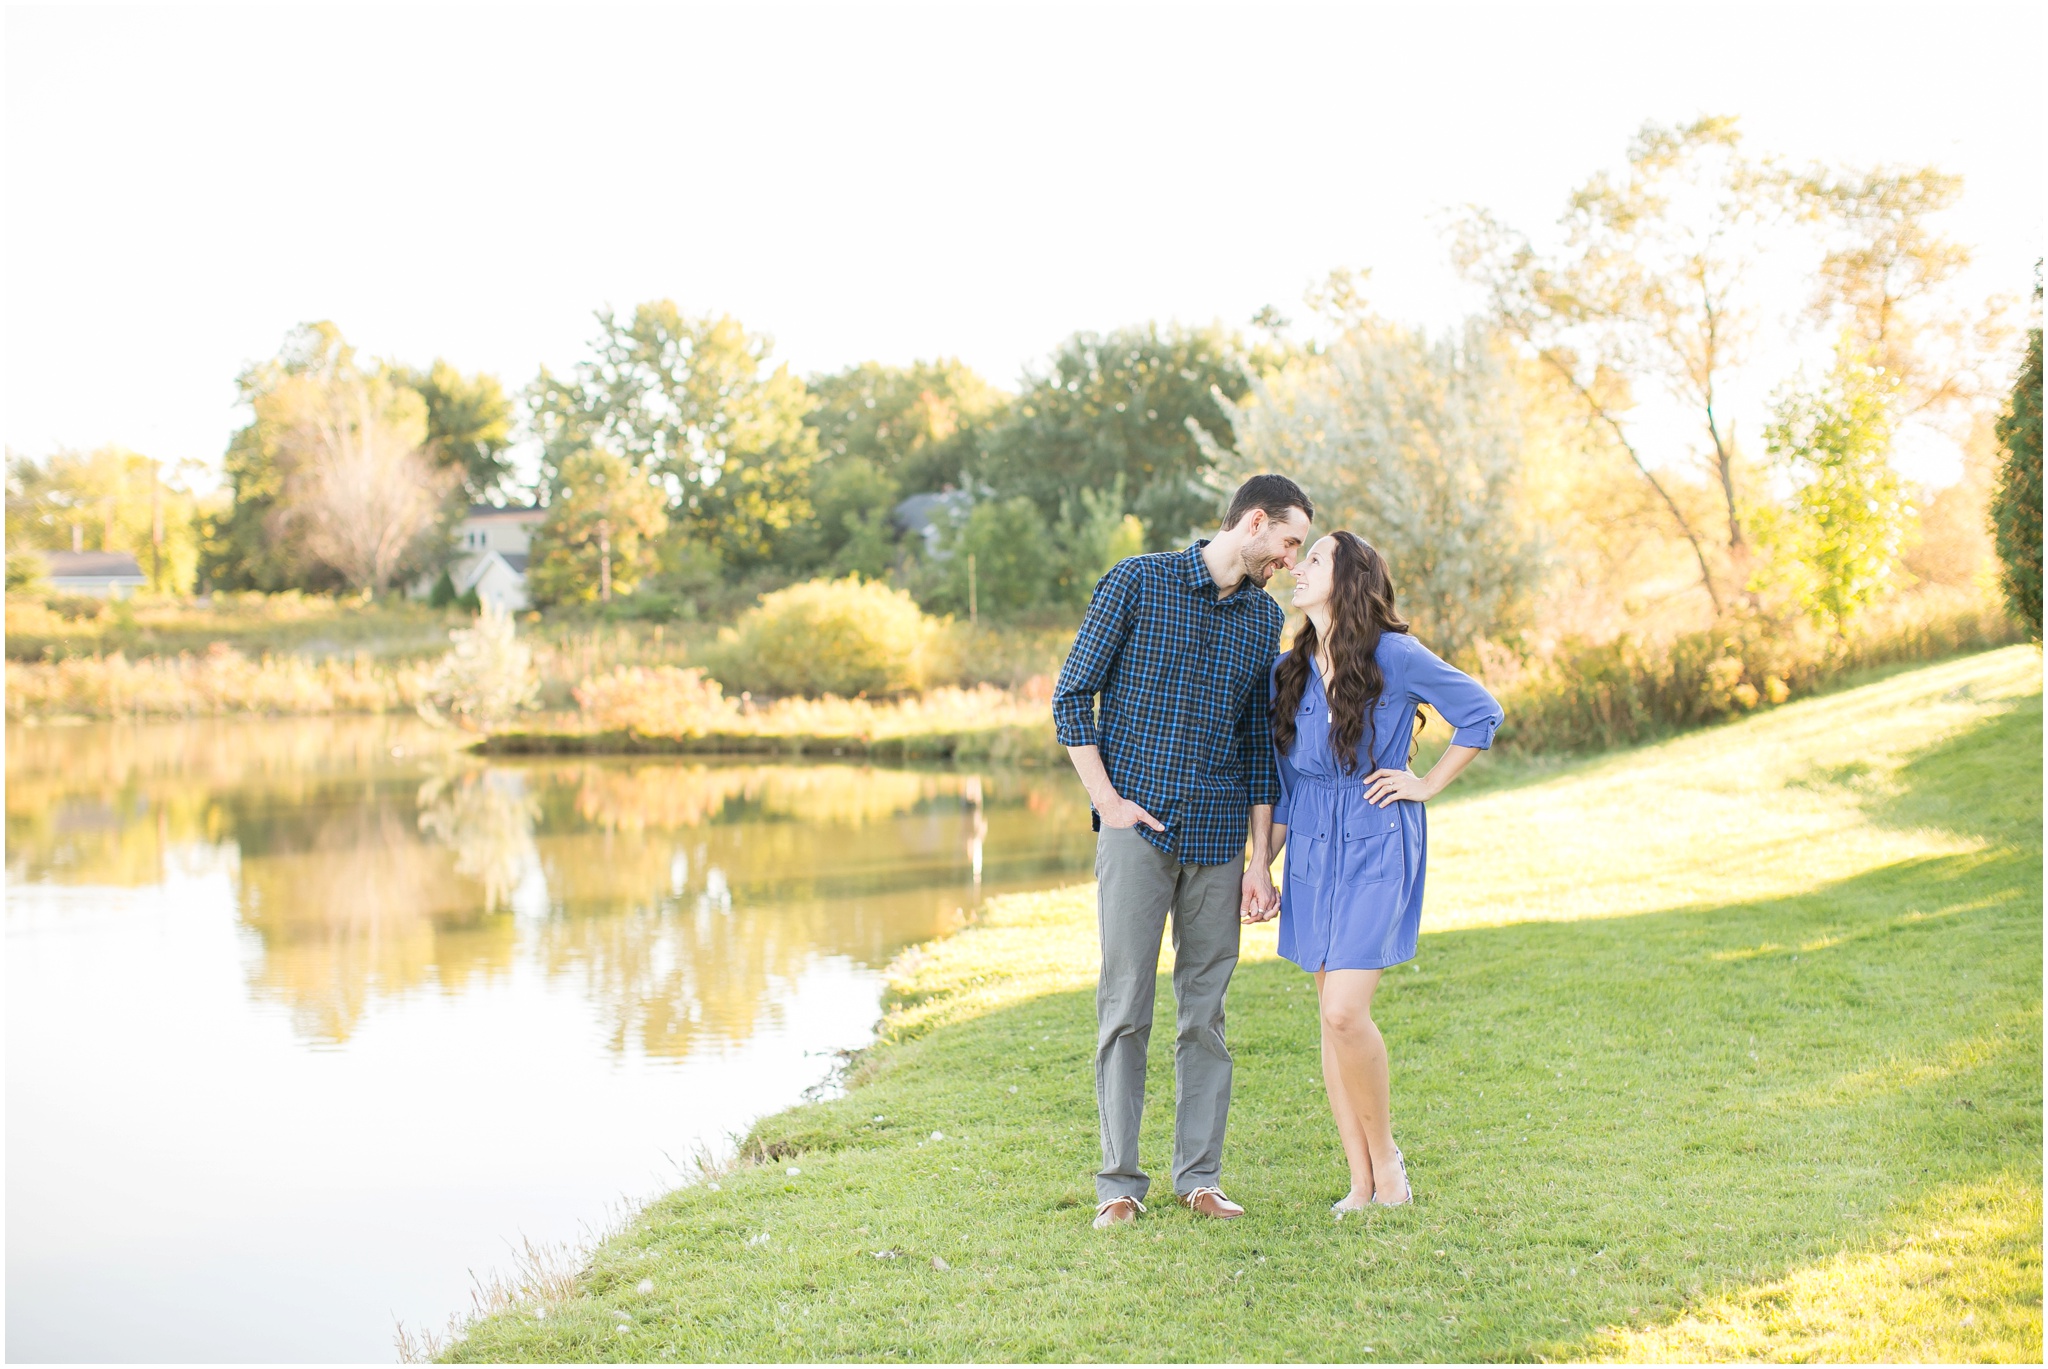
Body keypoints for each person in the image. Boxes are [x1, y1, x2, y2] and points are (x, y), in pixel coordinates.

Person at [1052, 474, 1314, 1229]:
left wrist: (1260, 859)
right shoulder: (1138, 582)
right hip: (1137, 833)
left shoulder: (1261, 620)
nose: (1291, 561)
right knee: (1125, 1008)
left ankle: (1199, 1176)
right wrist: (1107, 802)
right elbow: (1073, 695)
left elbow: (1257, 745)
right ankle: (1119, 1186)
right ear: (1255, 522)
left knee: (1206, 1015)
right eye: (1289, 542)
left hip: (1218, 838)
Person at [1250, 530, 1502, 1211]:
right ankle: (1359, 1181)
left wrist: (1426, 783)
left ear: (1351, 576)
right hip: (1311, 852)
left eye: (1314, 559)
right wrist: (1260, 869)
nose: (1297, 569)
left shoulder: (1396, 654)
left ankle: (1387, 1162)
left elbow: (1481, 713)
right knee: (1329, 1020)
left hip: (1375, 842)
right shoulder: (1289, 670)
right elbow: (1281, 783)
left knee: (1343, 1009)